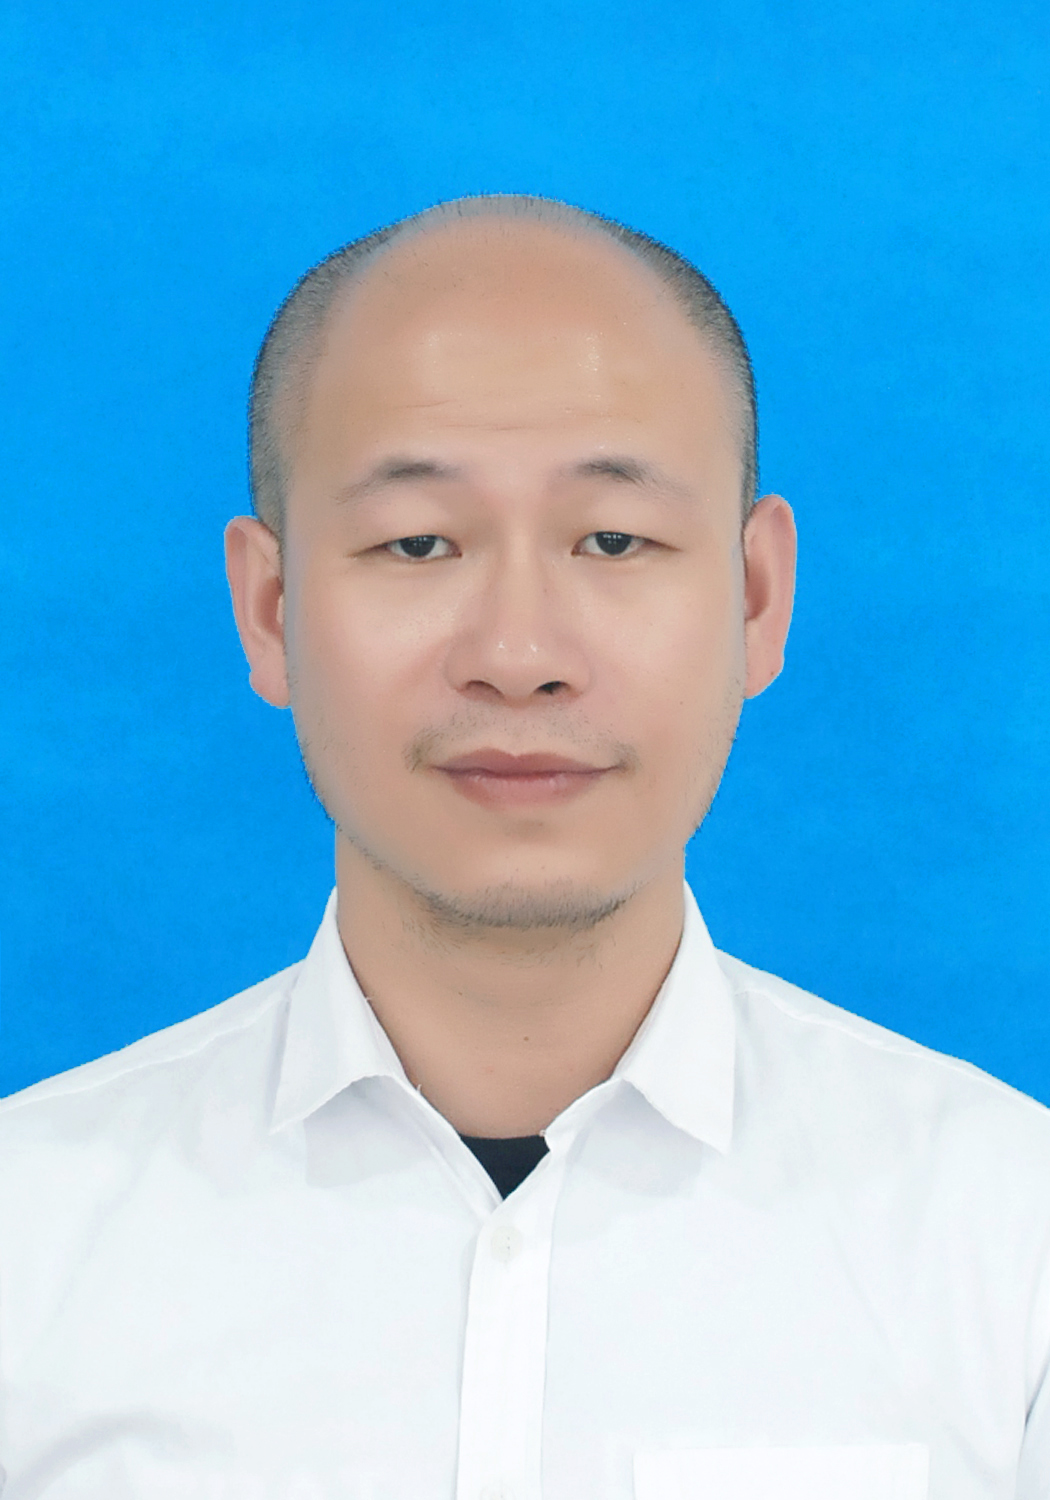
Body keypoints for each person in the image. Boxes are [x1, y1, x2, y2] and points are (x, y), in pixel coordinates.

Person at [0, 194, 1047, 1500]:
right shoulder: (27, 1245)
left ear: (755, 598)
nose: (517, 655)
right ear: (268, 611)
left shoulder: (1011, 1245)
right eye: (417, 542)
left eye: (613, 540)